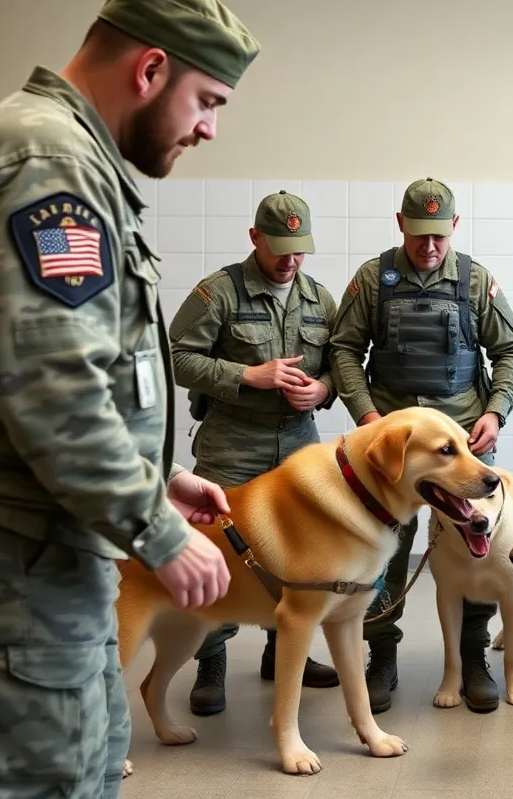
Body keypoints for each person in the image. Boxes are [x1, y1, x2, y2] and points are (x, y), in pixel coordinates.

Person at [0, 0, 259, 797]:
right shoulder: (46, 160)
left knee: (90, 768)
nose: (210, 128)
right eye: (207, 101)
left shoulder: (74, 158)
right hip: (17, 566)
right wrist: (154, 527)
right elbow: (48, 382)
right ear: (149, 71)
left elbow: (79, 365)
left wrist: (153, 478)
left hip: (57, 552)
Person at [328, 176, 513, 714]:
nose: (429, 246)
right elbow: (344, 349)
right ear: (401, 225)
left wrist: (494, 413)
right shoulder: (374, 278)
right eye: (419, 235)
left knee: (476, 543)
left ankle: (473, 657)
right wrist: (367, 419)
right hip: (391, 446)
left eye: (439, 235)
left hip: (462, 440)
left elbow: (509, 350)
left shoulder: (475, 280)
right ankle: (382, 656)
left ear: (454, 227)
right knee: (384, 550)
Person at [168, 189, 341, 717]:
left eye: (300, 249)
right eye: (280, 248)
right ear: (254, 238)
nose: (291, 260)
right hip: (232, 445)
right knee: (220, 551)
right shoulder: (217, 292)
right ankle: (210, 662)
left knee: (298, 553)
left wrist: (324, 390)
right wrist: (247, 374)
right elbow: (174, 356)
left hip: (299, 446)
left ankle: (283, 653)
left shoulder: (319, 298)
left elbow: (344, 364)